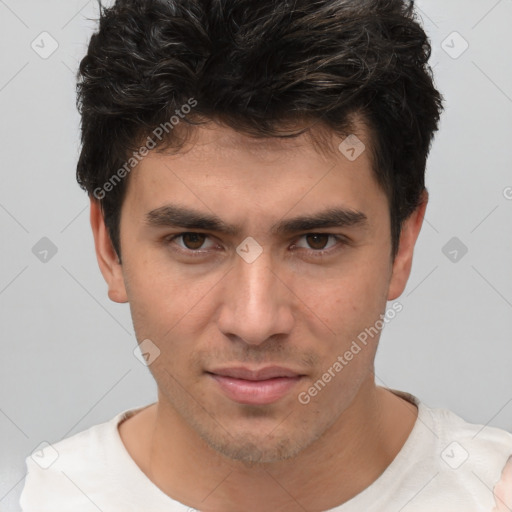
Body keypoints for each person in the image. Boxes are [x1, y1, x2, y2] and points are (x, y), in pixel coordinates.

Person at [19, 0, 512, 510]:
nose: (255, 323)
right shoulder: (52, 497)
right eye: (193, 240)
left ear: (403, 243)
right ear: (110, 248)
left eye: (317, 241)